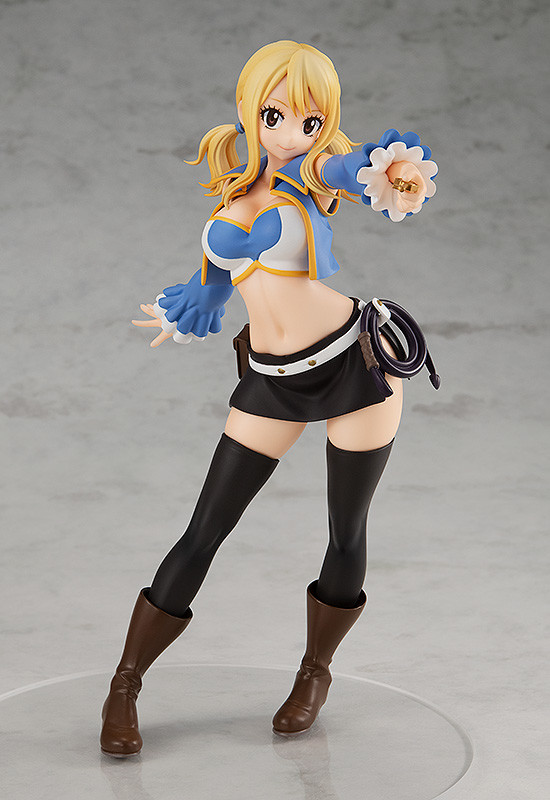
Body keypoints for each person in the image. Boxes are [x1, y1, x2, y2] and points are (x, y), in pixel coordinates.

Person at [100, 40, 437, 757]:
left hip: (354, 363)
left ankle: (316, 671)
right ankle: (125, 683)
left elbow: (354, 165)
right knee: (204, 530)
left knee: (346, 530)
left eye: (310, 122)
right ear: (250, 109)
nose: (291, 134)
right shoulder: (233, 198)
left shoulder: (312, 172)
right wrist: (184, 310)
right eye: (276, 116)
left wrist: (394, 174)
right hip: (272, 377)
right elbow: (213, 286)